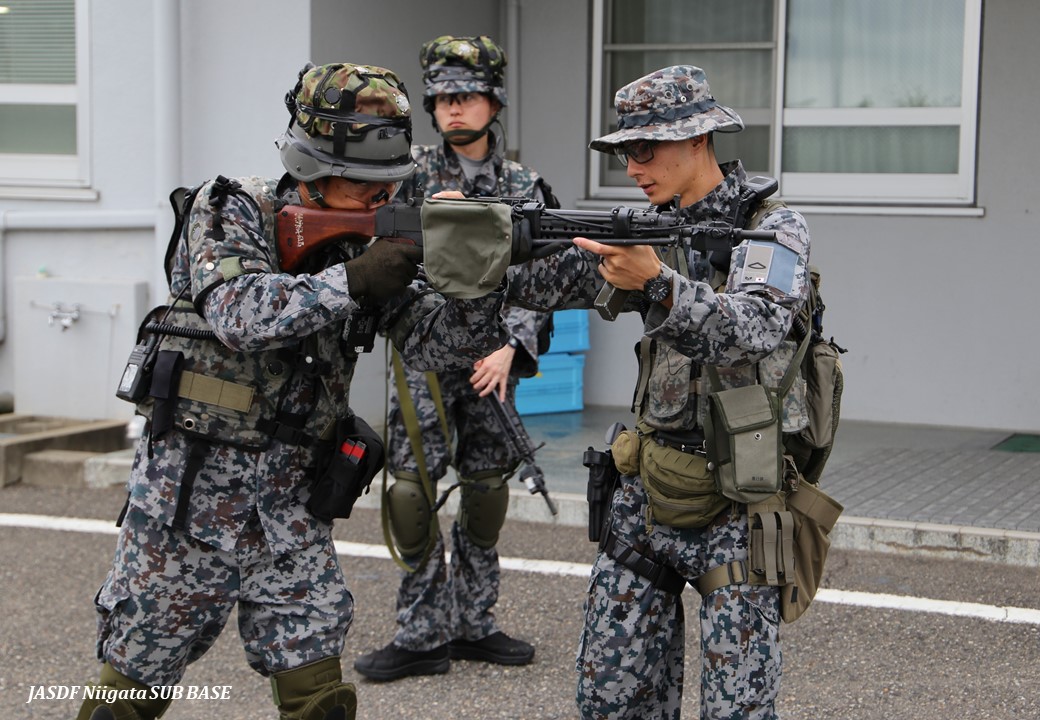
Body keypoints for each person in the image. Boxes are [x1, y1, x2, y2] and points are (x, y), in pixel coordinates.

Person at [75, 62, 511, 720]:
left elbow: (433, 343)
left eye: (385, 186)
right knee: (130, 693)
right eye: (362, 185)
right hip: (187, 507)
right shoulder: (230, 207)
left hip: (293, 511)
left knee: (320, 700)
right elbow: (239, 314)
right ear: (312, 167)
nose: (375, 200)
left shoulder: (367, 241)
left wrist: (473, 286)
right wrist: (357, 279)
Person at [506, 66, 812, 719]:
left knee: (738, 708)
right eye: (625, 153)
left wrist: (660, 283)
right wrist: (477, 237)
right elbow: (539, 284)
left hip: (740, 505)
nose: (633, 167)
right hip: (646, 490)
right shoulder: (640, 228)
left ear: (698, 139)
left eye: (647, 149)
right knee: (611, 696)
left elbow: (752, 330)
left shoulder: (773, 228)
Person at [354, 35, 556, 682]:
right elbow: (385, 267)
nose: (453, 109)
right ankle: (420, 634)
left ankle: (474, 623)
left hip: (491, 367)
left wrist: (510, 345)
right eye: (441, 98)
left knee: (485, 495)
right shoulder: (406, 176)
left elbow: (546, 278)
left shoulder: (524, 185)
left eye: (466, 97)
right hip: (424, 363)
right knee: (411, 496)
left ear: (493, 103)